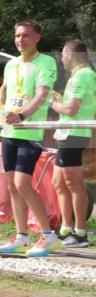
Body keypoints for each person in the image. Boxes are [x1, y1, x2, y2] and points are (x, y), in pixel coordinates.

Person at [0, 20, 60, 257]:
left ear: (37, 38)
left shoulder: (47, 62)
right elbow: (3, 88)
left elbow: (42, 94)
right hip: (9, 131)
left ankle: (48, 235)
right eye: (18, 36)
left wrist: (22, 115)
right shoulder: (11, 64)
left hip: (30, 131)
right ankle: (21, 236)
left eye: (26, 36)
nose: (21, 40)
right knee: (12, 186)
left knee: (22, 183)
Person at [50, 39, 95, 248]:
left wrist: (54, 103)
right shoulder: (80, 75)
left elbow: (71, 110)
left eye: (63, 54)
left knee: (73, 184)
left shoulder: (82, 76)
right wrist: (61, 101)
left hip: (73, 134)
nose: (61, 58)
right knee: (58, 182)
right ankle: (66, 229)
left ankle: (80, 233)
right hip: (69, 134)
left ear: (71, 55)